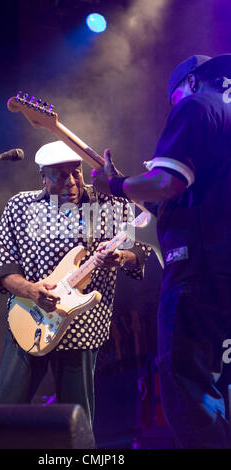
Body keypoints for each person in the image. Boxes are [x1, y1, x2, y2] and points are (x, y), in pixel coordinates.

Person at [91, 54, 231, 448]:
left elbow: (167, 182)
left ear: (188, 83)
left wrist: (115, 186)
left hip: (200, 271)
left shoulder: (196, 105)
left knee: (186, 386)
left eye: (172, 100)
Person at [0, 140, 151, 428]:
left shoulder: (110, 204)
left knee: (77, 422)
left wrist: (120, 257)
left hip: (82, 325)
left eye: (76, 172)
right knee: (5, 415)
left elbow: (142, 246)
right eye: (61, 174)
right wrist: (31, 291)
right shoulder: (19, 206)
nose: (72, 181)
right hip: (28, 320)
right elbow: (3, 270)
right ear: (43, 176)